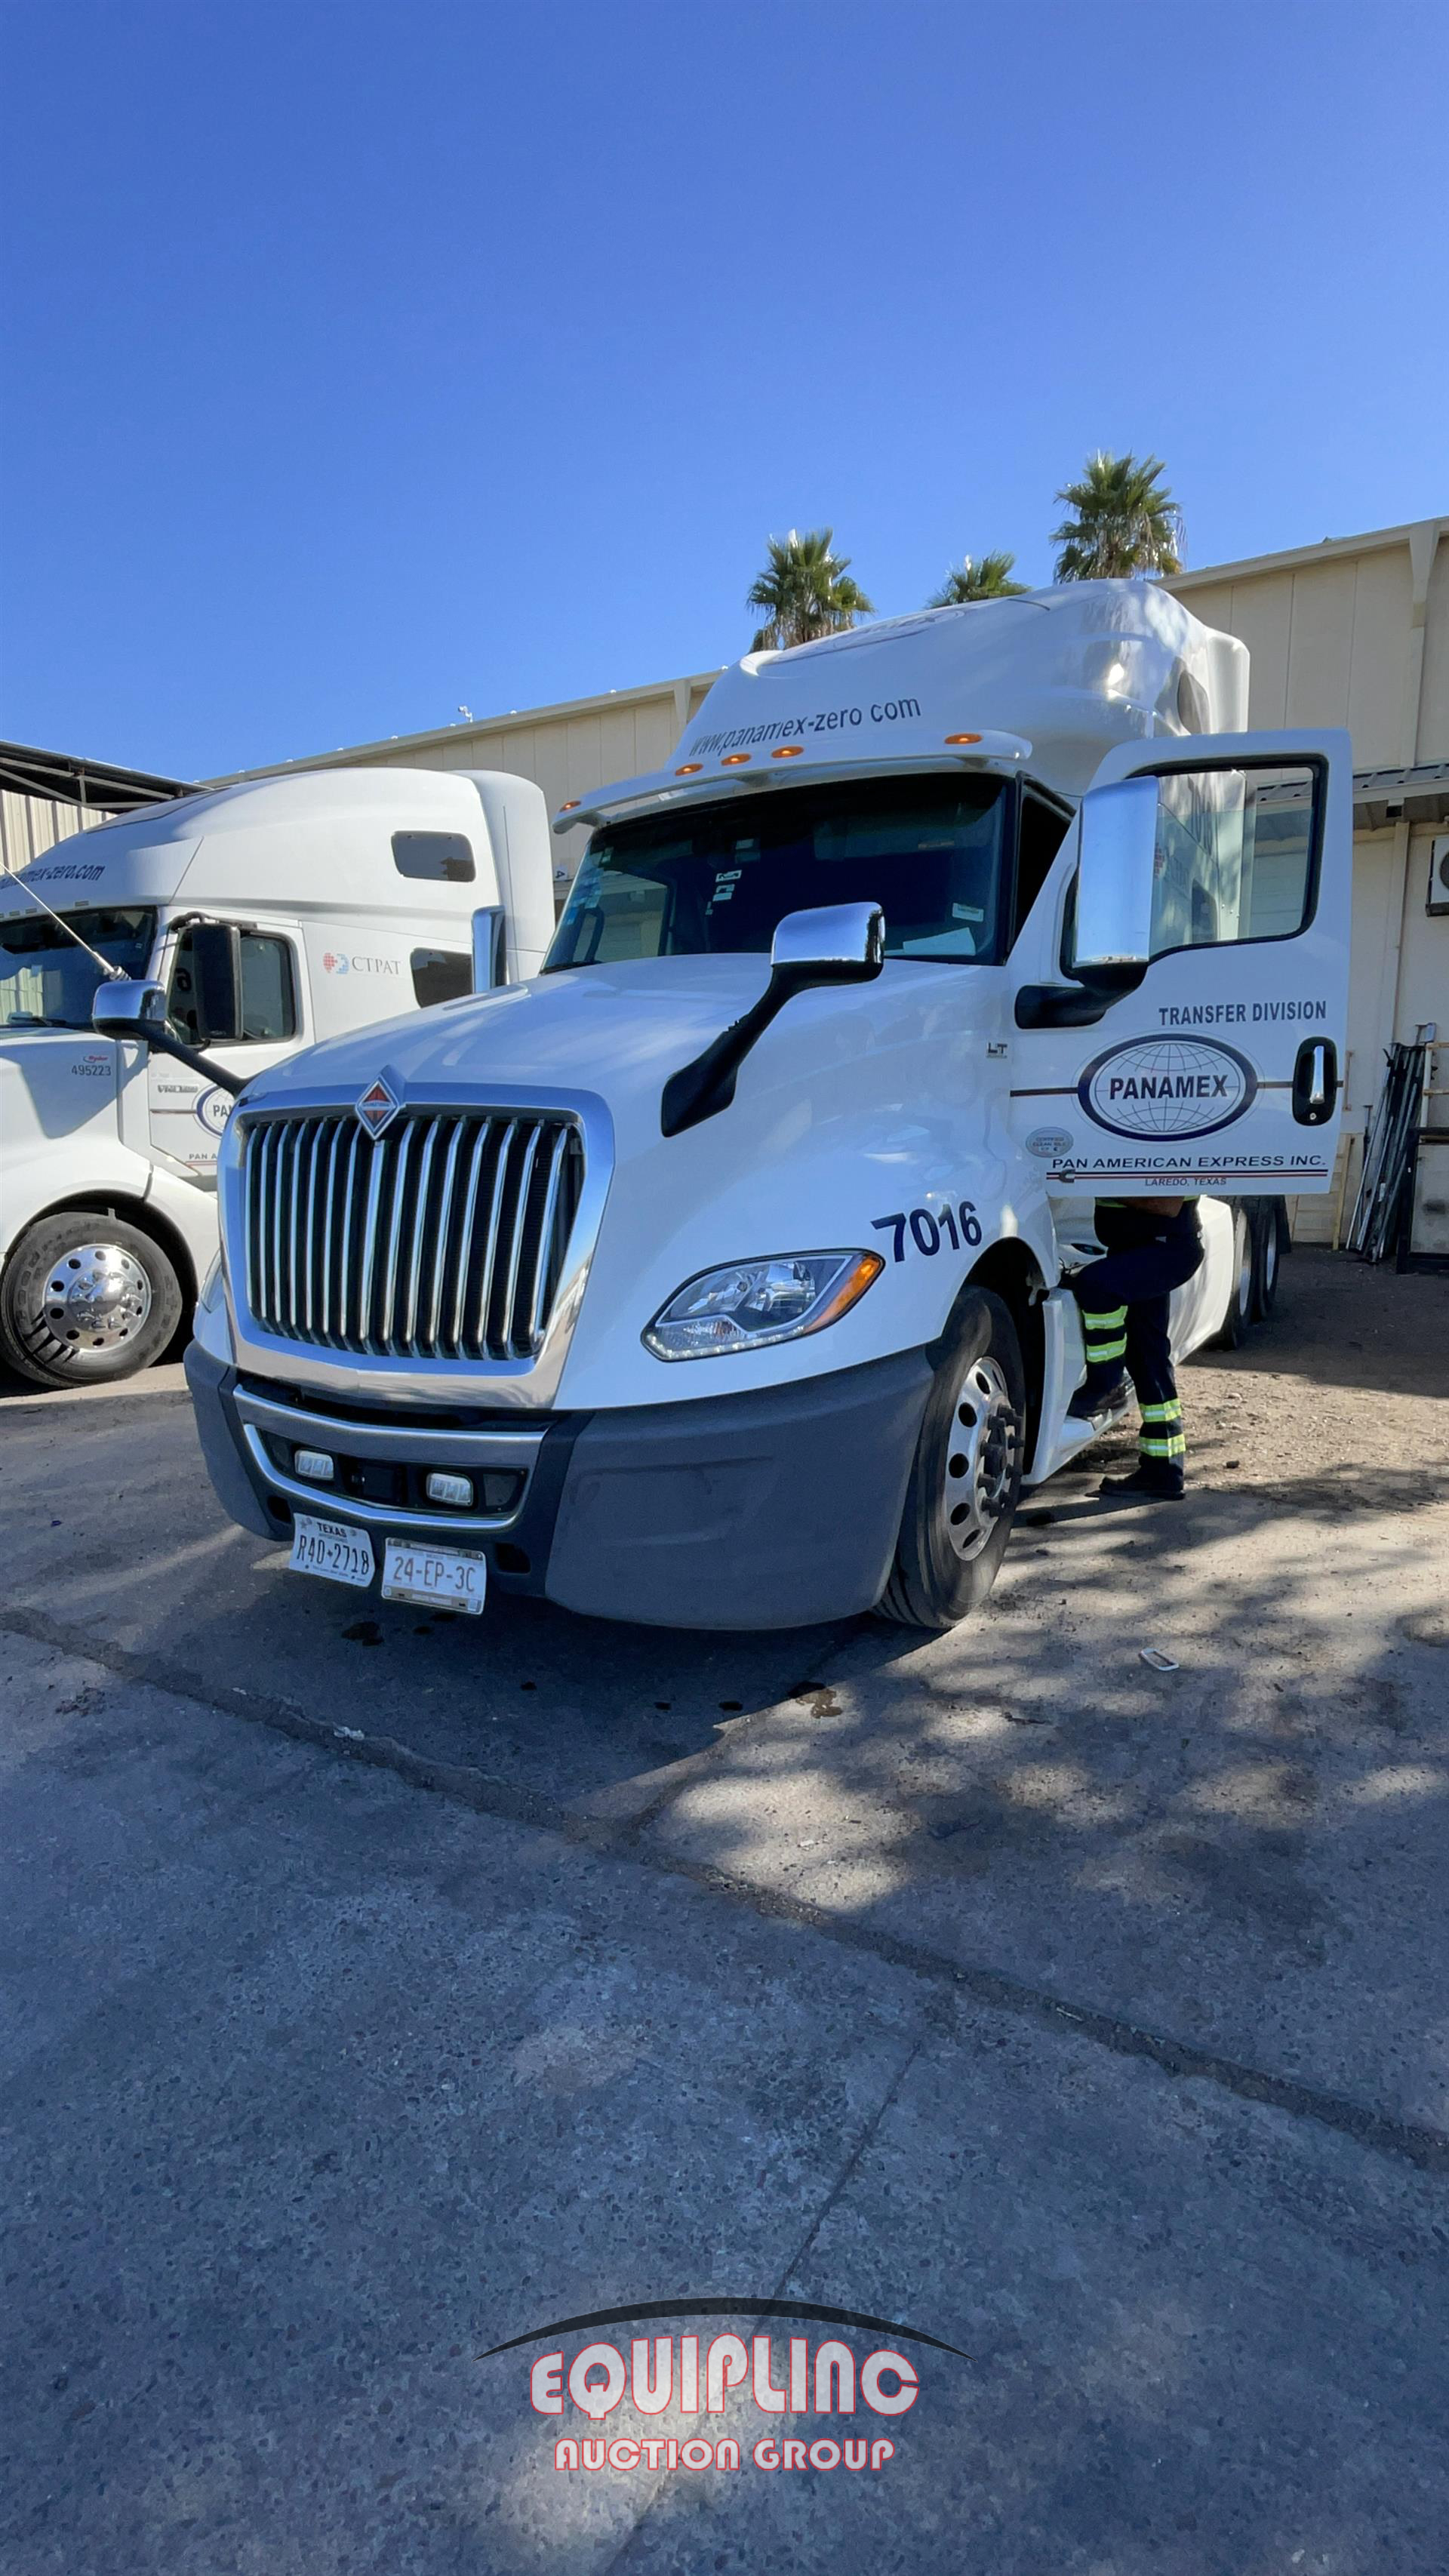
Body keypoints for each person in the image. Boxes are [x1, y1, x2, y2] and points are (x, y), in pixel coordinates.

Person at [1066, 1196, 1204, 1501]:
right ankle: (1164, 1471)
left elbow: (1167, 1205)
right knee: (1149, 1359)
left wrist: (1094, 1177)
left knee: (1096, 1285)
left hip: (1165, 1248)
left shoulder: (1171, 1148)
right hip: (1140, 1248)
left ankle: (1105, 1384)